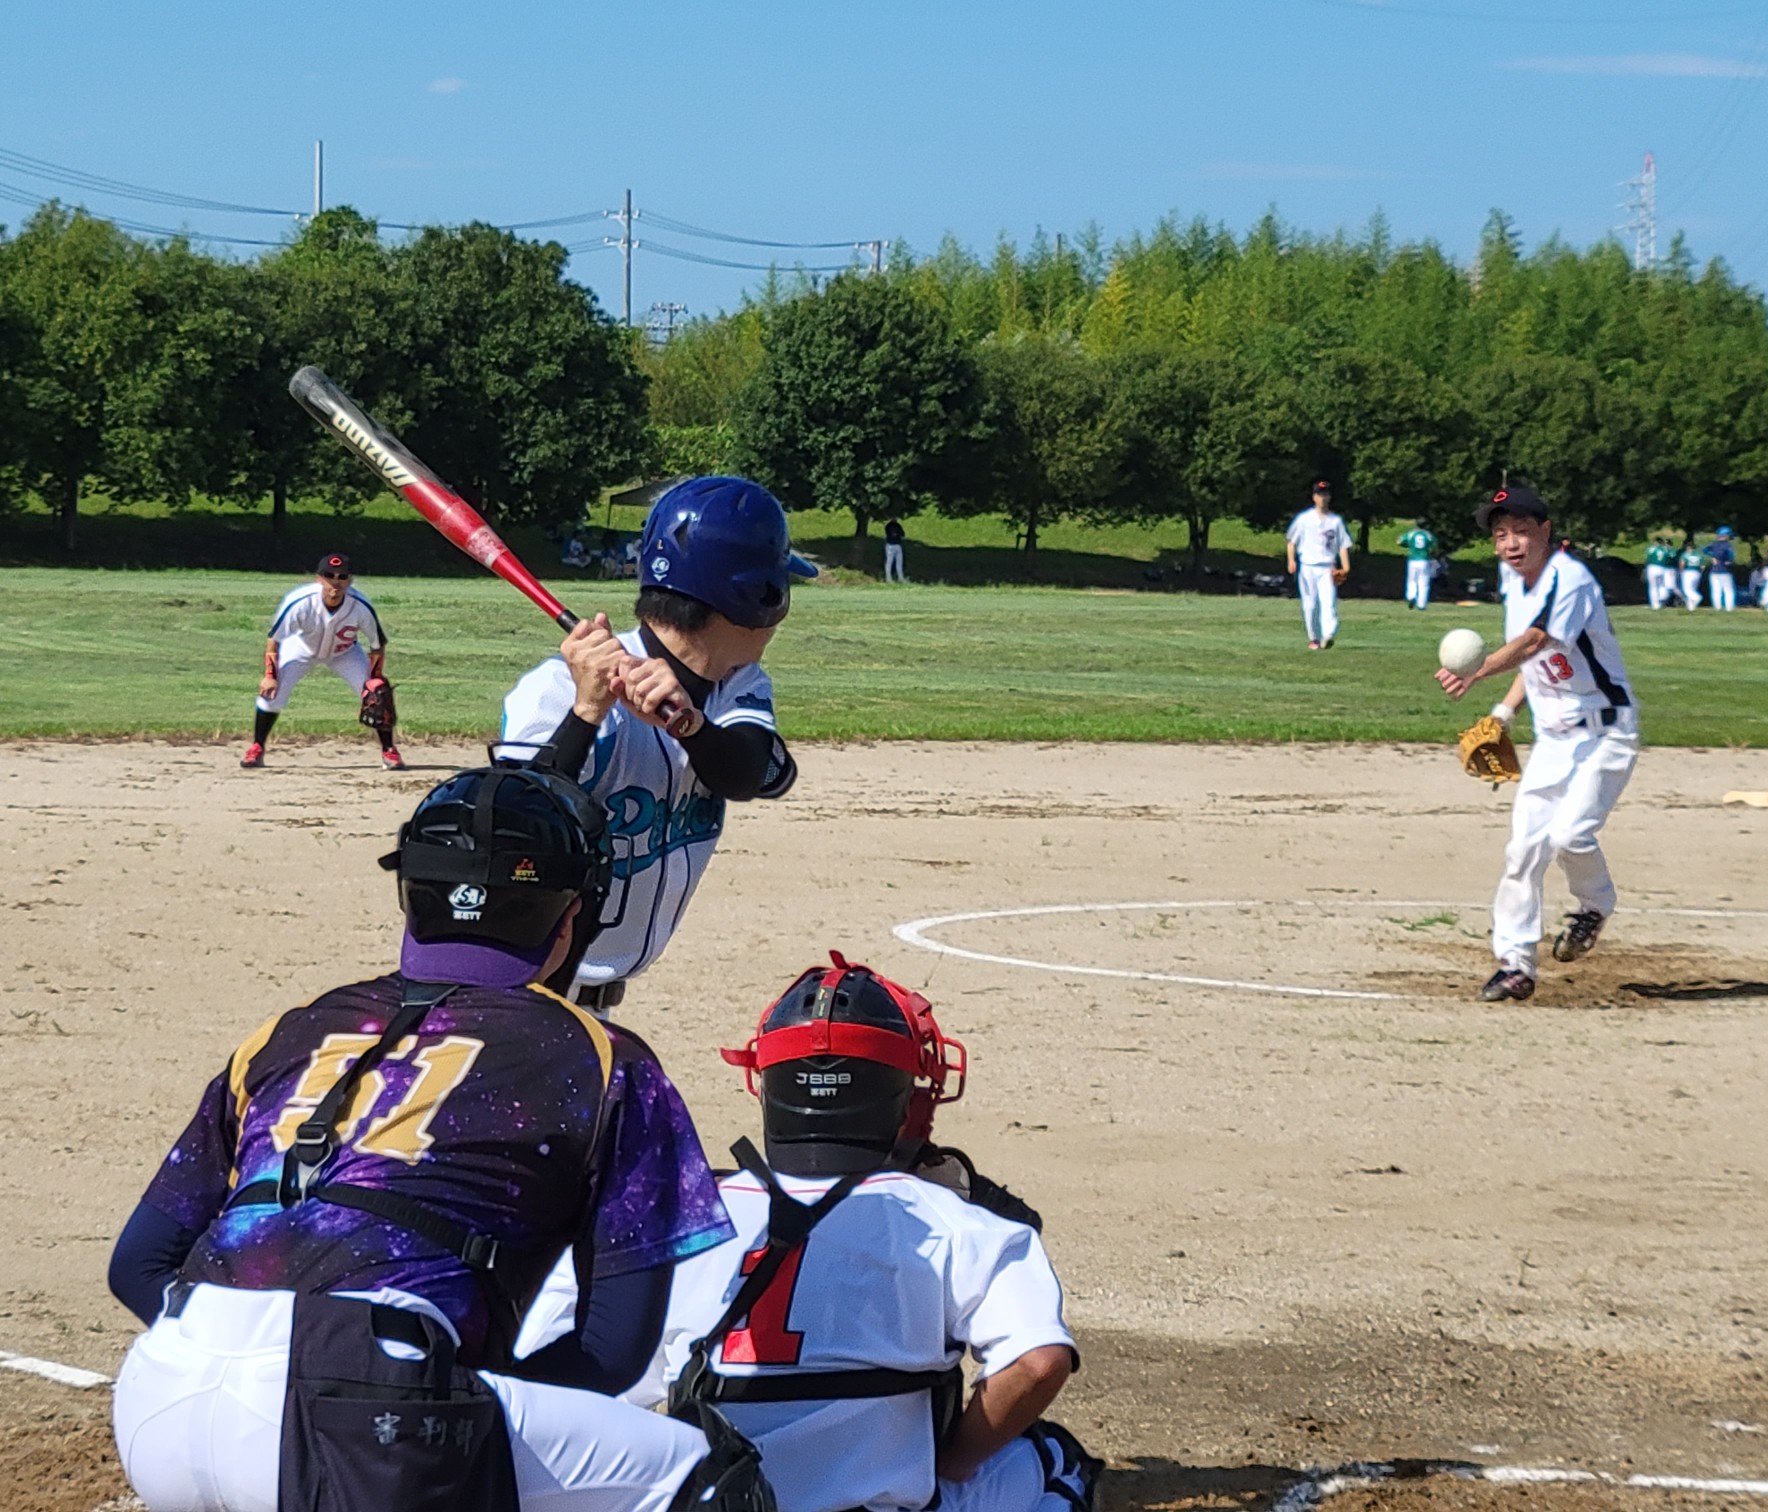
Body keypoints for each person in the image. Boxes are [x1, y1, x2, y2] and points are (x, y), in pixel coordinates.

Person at [105, 763, 773, 1512]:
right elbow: (613, 1353)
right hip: (371, 1407)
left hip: (159, 1394)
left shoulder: (290, 1028)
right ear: (574, 917)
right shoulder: (605, 1055)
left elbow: (137, 1264)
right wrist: (450, 1398)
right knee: (707, 1477)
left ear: (411, 893)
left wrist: (246, 1352)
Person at [521, 954, 1099, 1512]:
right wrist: (953, 1460)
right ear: (904, 1095)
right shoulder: (960, 1223)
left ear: (765, 1084)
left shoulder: (668, 1212)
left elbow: (543, 1369)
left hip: (708, 1499)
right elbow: (1037, 1363)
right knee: (1052, 1460)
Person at [499, 476, 813, 1013]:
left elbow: (749, 775)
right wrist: (587, 712)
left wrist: (688, 725)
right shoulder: (556, 689)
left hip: (592, 1007)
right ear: (757, 599)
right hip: (514, 996)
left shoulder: (737, 684)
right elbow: (512, 833)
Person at [1433, 488, 1639, 1003]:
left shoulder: (1569, 580)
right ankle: (1516, 964)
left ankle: (1594, 906)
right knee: (1523, 848)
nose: (1510, 542)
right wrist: (1502, 713)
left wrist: (1477, 671)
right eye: (1500, 533)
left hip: (1606, 733)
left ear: (1546, 531)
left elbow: (1534, 642)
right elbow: (1533, 665)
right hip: (1553, 739)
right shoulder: (1514, 583)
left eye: (1521, 530)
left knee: (1570, 836)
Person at [242, 552, 401, 771]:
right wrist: (270, 675)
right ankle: (257, 747)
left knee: (378, 696)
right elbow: (274, 640)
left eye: (342, 576)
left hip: (345, 653)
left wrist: (374, 678)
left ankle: (389, 750)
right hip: (301, 648)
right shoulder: (300, 602)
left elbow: (377, 644)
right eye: (329, 575)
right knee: (272, 694)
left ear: (350, 580)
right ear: (319, 578)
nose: (335, 582)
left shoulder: (360, 606)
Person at [1285, 480, 1352, 649]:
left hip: (1327, 567)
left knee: (1328, 601)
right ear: (1314, 497)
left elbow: (1342, 545)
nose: (1323, 498)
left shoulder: (1335, 521)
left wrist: (1346, 567)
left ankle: (1328, 634)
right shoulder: (1304, 519)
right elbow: (1291, 542)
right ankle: (1314, 638)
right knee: (1310, 604)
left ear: (1329, 497)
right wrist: (1291, 560)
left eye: (1326, 495)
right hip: (1307, 566)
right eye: (1320, 495)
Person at [1399, 520, 1438, 610]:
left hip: (1412, 559)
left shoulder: (1411, 534)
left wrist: (1408, 546)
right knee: (1423, 582)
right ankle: (1421, 604)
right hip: (1424, 560)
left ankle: (1411, 596)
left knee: (1411, 580)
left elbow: (1399, 541)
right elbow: (1434, 545)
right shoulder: (1428, 535)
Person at [1706, 526, 1739, 612]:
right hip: (1725, 571)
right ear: (1726, 535)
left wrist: (1712, 556)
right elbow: (1730, 555)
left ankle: (1717, 607)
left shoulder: (1713, 544)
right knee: (1728, 591)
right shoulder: (1728, 545)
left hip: (1714, 571)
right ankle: (1729, 608)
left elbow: (1704, 550)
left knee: (1716, 591)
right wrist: (1729, 560)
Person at [1677, 538, 1706, 612]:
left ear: (1688, 547)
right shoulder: (1699, 555)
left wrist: (1681, 572)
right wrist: (1700, 573)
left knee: (1687, 590)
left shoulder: (1685, 554)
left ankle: (1697, 597)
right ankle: (1691, 607)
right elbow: (1702, 566)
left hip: (1688, 572)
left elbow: (1682, 564)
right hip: (1697, 573)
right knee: (1693, 589)